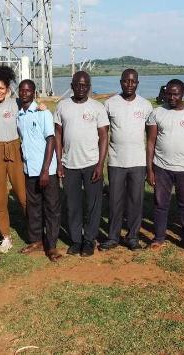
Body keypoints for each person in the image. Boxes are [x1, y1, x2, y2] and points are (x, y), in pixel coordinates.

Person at [55, 71, 109, 257]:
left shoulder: (97, 107)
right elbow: (58, 135)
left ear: (89, 86)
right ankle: (76, 240)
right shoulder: (63, 106)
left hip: (92, 163)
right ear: (72, 86)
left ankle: (89, 240)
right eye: (77, 85)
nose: (80, 88)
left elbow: (103, 137)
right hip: (69, 164)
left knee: (93, 204)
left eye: (84, 85)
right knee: (73, 204)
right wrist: (60, 163)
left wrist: (100, 165)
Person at [147, 79, 184, 253]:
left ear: (183, 94)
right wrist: (149, 169)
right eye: (169, 93)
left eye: (176, 94)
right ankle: (159, 238)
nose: (172, 97)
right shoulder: (157, 112)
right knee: (160, 204)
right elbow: (150, 142)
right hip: (161, 167)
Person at [99, 69, 153, 251]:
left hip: (138, 162)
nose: (129, 85)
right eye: (126, 81)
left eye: (133, 81)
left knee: (135, 201)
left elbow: (151, 137)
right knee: (115, 201)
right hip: (116, 162)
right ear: (120, 82)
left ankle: (132, 237)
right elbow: (103, 134)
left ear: (138, 83)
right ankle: (113, 237)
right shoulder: (110, 104)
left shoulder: (145, 105)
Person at [16, 79, 62, 262]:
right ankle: (36, 240)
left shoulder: (43, 113)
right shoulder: (19, 115)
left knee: (51, 208)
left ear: (34, 92)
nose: (24, 93)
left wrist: (45, 170)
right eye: (22, 90)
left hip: (46, 171)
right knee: (33, 208)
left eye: (28, 90)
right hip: (29, 170)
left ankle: (51, 246)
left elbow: (50, 140)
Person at [0, 65, 27, 253]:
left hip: (15, 149)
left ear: (8, 88)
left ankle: (34, 231)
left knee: (23, 194)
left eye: (2, 88)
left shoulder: (17, 103)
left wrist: (41, 107)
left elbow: (34, 109)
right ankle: (6, 237)